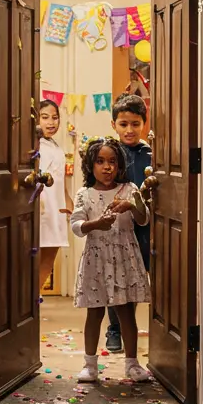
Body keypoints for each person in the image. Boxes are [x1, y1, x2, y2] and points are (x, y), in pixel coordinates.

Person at [70, 136, 150, 383]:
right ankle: (90, 364)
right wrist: (96, 224)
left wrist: (131, 206)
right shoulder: (85, 194)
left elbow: (143, 219)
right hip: (97, 259)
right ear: (90, 165)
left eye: (113, 162)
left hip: (124, 257)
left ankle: (132, 364)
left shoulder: (130, 190)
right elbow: (76, 225)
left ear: (120, 165)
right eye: (101, 161)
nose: (107, 167)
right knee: (94, 313)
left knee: (126, 312)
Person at [105, 93, 152, 353]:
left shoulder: (151, 154)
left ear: (144, 123)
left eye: (135, 123)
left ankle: (128, 326)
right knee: (116, 278)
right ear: (114, 125)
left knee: (136, 277)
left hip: (143, 227)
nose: (129, 130)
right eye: (123, 124)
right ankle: (114, 329)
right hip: (116, 228)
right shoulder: (107, 153)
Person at [38, 98, 73, 291]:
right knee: (39, 255)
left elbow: (60, 180)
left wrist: (68, 200)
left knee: (50, 256)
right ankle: (29, 300)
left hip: (57, 207)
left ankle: (34, 298)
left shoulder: (55, 145)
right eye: (45, 117)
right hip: (44, 208)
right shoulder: (36, 146)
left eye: (55, 118)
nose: (51, 123)